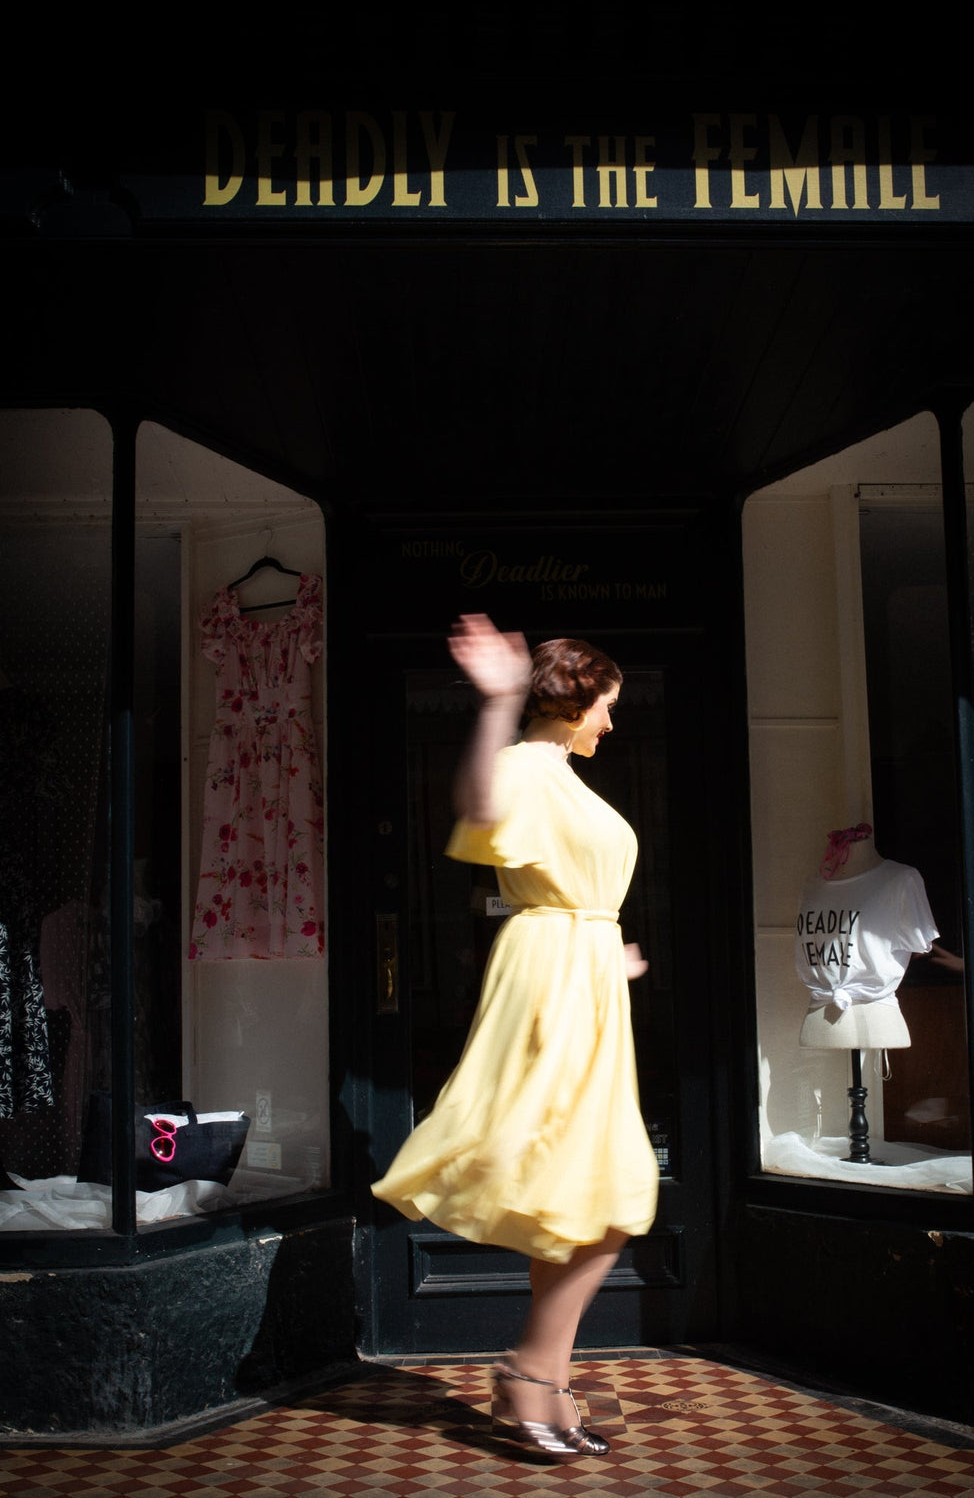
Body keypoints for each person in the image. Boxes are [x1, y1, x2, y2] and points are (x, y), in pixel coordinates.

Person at [371, 614, 658, 1459]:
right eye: (605, 705)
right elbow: (482, 804)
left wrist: (611, 953)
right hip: (556, 980)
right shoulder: (529, 765)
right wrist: (496, 701)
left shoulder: (562, 774)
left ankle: (550, 1386)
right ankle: (529, 1372)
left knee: (581, 1187)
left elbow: (572, 888)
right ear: (572, 705)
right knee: (615, 1187)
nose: (611, 721)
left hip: (582, 974)